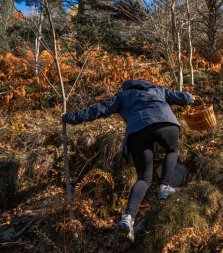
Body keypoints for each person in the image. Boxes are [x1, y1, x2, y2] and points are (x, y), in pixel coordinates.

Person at [61, 79, 195, 242]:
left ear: (127, 87)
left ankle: (128, 218)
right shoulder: (158, 89)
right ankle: (164, 186)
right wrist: (190, 97)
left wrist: (69, 117)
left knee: (144, 178)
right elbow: (186, 98)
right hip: (166, 124)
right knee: (172, 150)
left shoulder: (123, 96)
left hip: (138, 131)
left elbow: (98, 110)